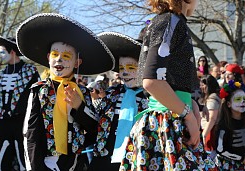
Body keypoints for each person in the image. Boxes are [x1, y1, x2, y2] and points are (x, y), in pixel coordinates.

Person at [119, 0, 218, 170]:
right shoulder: (169, 22)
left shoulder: (170, 21)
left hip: (172, 120)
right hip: (168, 123)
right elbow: (152, 82)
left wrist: (191, 104)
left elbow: (171, 80)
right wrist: (188, 115)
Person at [17, 13, 115, 171]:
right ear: (48, 57)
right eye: (55, 55)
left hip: (75, 163)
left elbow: (93, 130)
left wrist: (79, 107)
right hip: (46, 163)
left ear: (77, 62)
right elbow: (30, 135)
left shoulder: (82, 91)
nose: (59, 60)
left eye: (66, 56)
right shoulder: (39, 90)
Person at [88, 32, 149, 171]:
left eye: (131, 68)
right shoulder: (111, 94)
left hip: (136, 160)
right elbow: (94, 121)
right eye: (122, 68)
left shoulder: (152, 98)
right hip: (105, 159)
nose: (125, 73)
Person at [0, 33, 40, 170]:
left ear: (12, 51)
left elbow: (37, 97)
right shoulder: (0, 75)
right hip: (3, 123)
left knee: (24, 160)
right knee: (1, 160)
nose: (0, 55)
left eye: (2, 52)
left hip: (22, 123)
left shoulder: (30, 71)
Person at [216, 80, 245, 170]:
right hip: (230, 165)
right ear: (229, 104)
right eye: (238, 99)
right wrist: (242, 158)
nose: (243, 102)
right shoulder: (223, 124)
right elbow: (220, 149)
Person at [199, 75, 221, 152]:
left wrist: (204, 134)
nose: (200, 87)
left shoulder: (213, 98)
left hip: (210, 131)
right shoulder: (216, 96)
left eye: (203, 85)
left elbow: (212, 118)